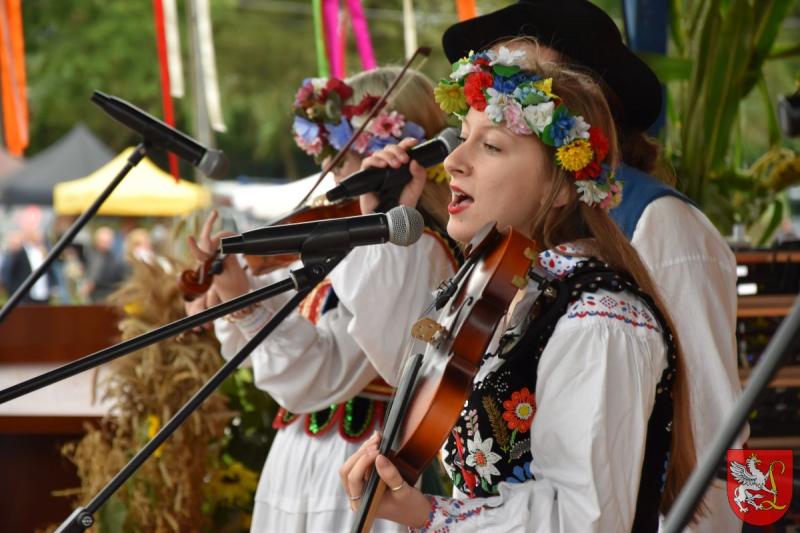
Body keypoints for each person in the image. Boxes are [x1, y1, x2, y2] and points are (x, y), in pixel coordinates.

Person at [340, 45, 697, 532]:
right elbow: (405, 369)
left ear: (562, 184)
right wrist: (384, 224)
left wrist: (430, 514)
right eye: (463, 137)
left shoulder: (598, 320)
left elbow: (584, 520)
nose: (454, 161)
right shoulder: (504, 292)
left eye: (491, 146)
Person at [437, 2, 744, 530]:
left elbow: (709, 422)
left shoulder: (659, 221)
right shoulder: (520, 263)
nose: (499, 82)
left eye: (524, 75)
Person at [186, 67, 460, 532]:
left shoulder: (412, 249)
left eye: (344, 152)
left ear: (397, 152)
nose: (330, 169)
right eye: (327, 152)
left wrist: (245, 305)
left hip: (363, 462)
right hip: (303, 460)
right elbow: (266, 352)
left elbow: (320, 375)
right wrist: (231, 295)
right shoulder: (342, 242)